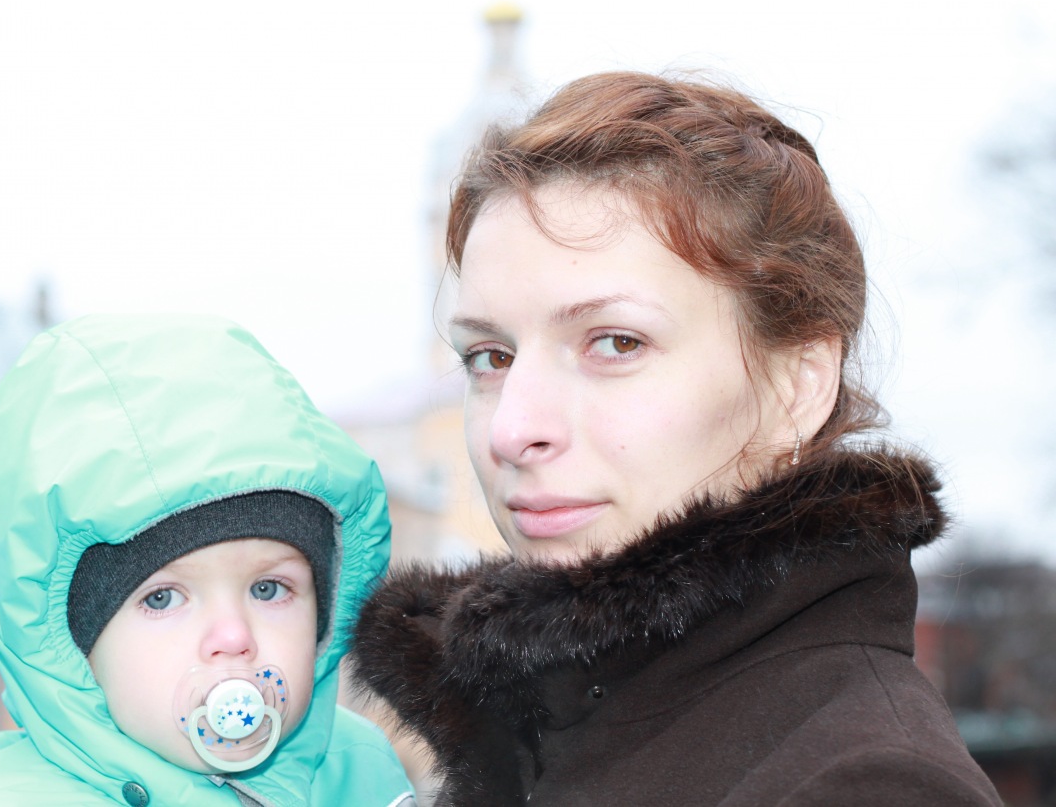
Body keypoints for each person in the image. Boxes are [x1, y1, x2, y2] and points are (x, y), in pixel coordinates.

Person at [351, 72, 1002, 806]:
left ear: (798, 385)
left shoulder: (869, 784)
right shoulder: (531, 740)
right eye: (490, 357)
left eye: (615, 343)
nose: (512, 429)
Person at [0, 314, 415, 807]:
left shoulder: (360, 774)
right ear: (73, 651)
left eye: (268, 589)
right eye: (163, 598)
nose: (233, 637)